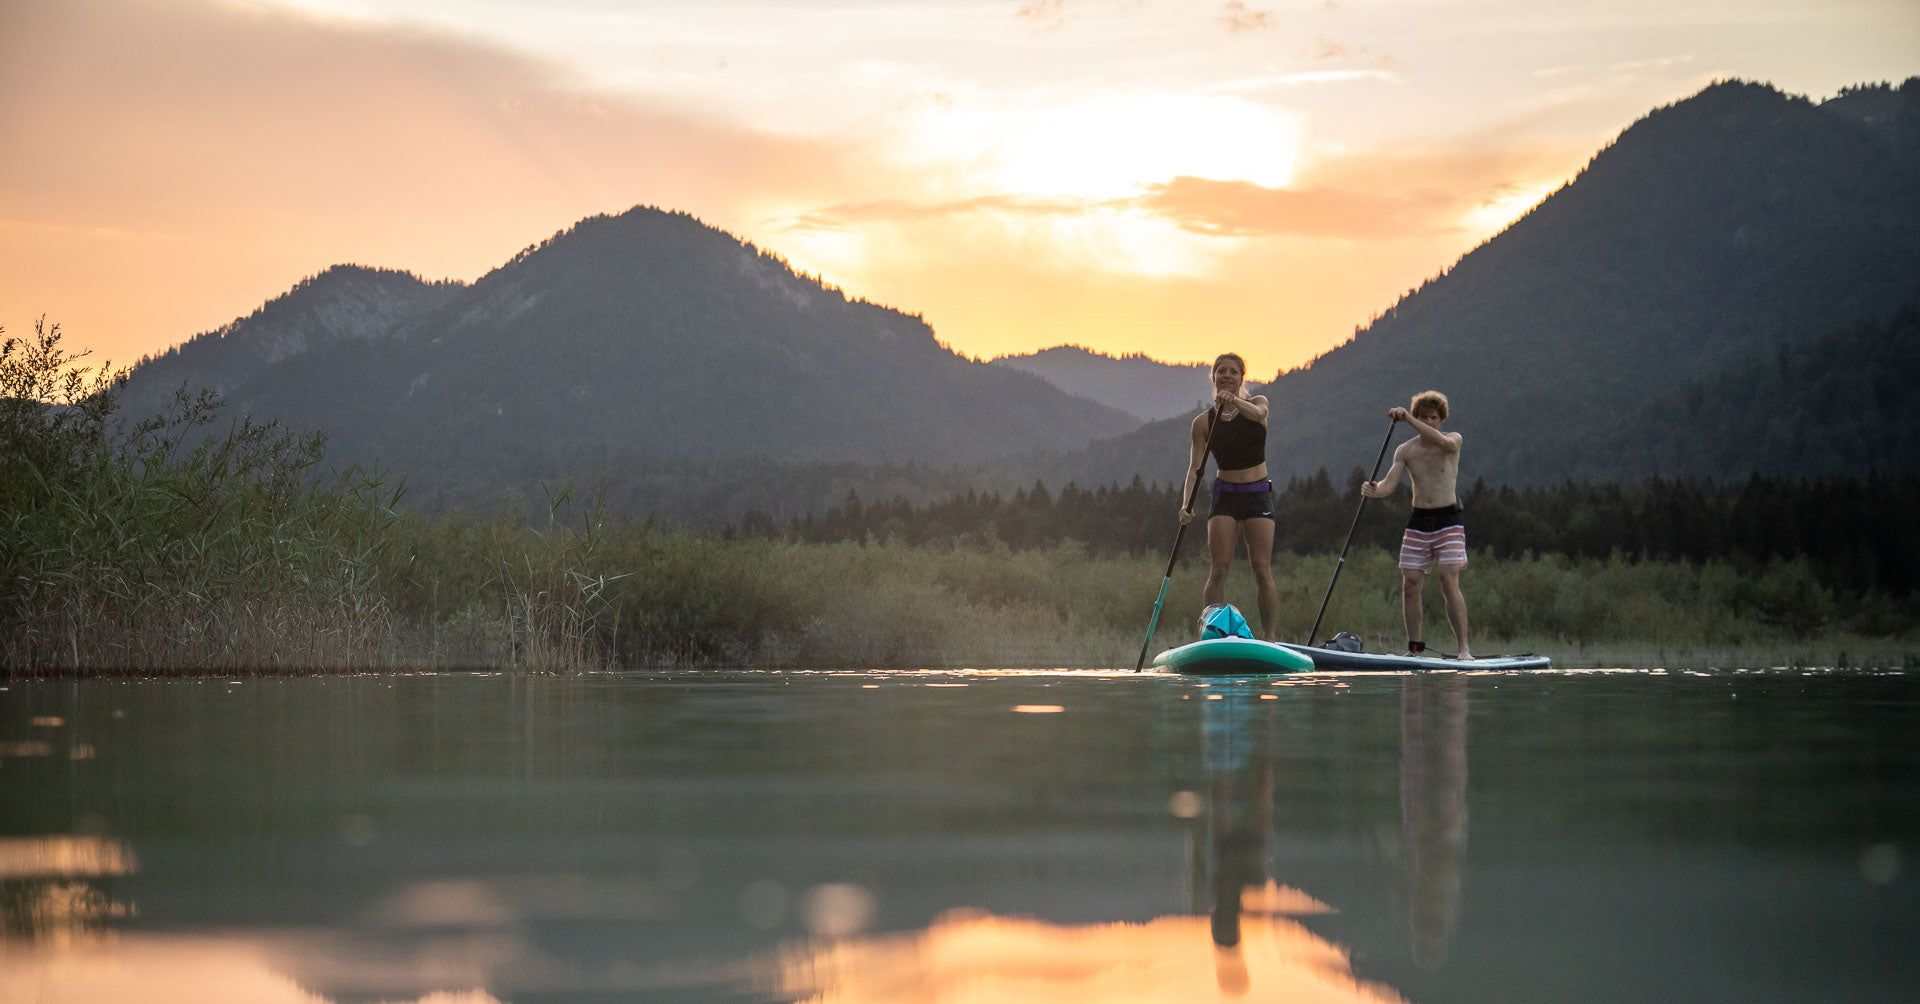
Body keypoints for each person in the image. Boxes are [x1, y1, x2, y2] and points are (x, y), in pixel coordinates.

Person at [1360, 391, 1473, 660]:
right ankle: (1414, 648)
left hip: (1448, 520)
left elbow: (1444, 442)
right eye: (1424, 417)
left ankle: (1463, 649)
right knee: (1410, 584)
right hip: (1419, 521)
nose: (1428, 422)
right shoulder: (1406, 450)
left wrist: (1409, 418)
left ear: (1441, 419)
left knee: (1448, 579)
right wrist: (1374, 490)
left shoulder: (1452, 440)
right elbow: (1389, 483)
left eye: (1433, 418)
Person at [1179, 353, 1278, 641]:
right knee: (1219, 569)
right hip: (1225, 496)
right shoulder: (1203, 423)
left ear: (1241, 378)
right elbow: (1195, 469)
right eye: (1221, 371)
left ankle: (1269, 636)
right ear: (1213, 376)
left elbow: (1258, 416)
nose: (1227, 376)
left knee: (1261, 568)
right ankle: (1211, 633)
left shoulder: (1259, 404)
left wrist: (1233, 401)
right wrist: (1186, 504)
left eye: (1234, 372)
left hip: (1257, 493)